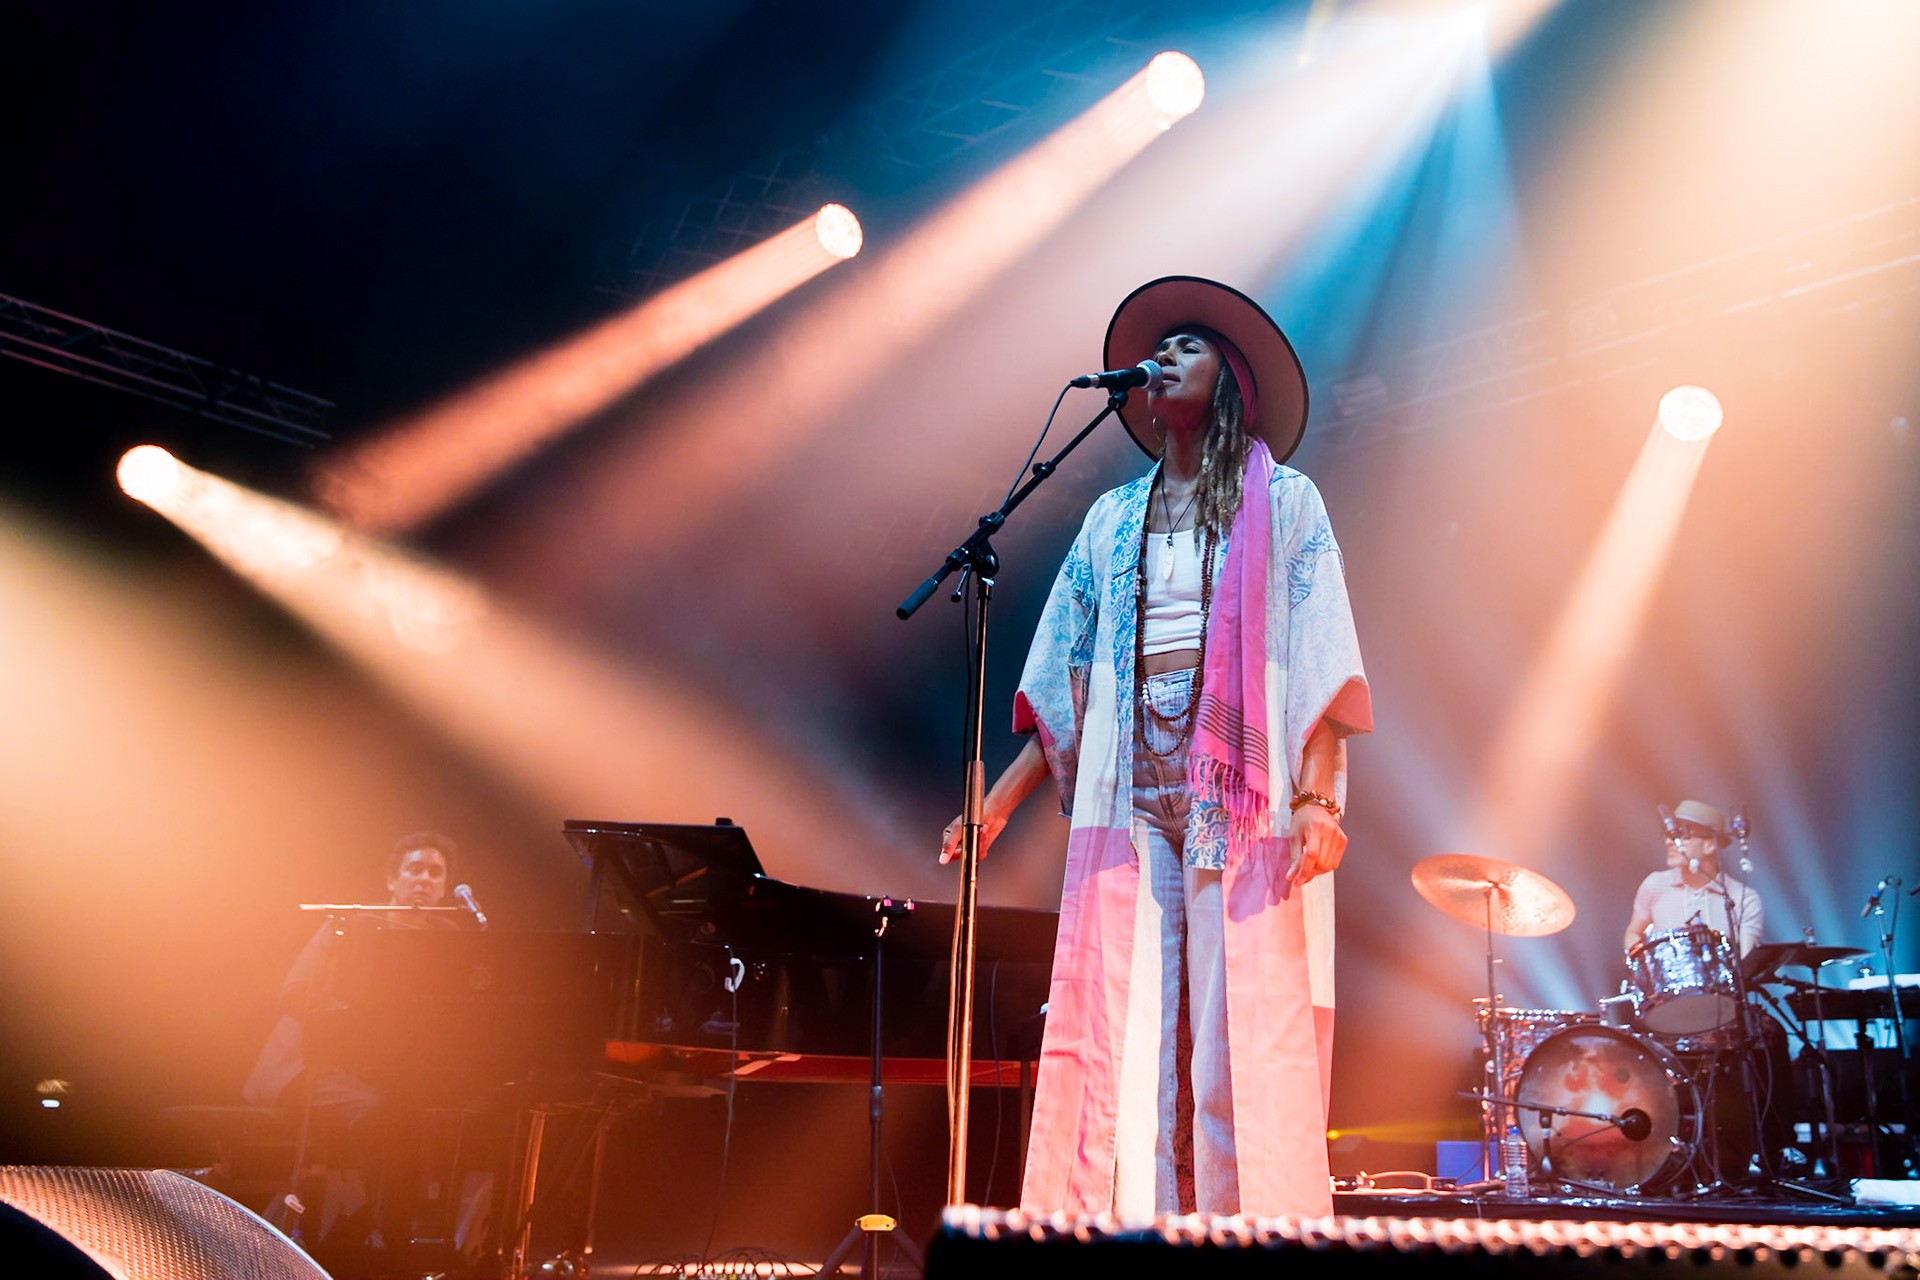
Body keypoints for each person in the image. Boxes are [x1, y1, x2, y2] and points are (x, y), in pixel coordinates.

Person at [941, 277, 1371, 1220]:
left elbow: (1323, 663)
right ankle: (1116, 1234)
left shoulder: (1288, 502)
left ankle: (1248, 1236)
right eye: (1161, 346)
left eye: (1188, 346)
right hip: (1132, 794)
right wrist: (1000, 804)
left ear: (1230, 381)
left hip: (1242, 795)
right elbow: (1065, 677)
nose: (1165, 358)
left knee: (1237, 1040)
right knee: (1118, 1032)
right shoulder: (1109, 520)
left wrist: (1321, 798)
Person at [244, 831, 462, 1114]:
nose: (424, 879)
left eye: (435, 873)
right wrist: (356, 1020)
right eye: (415, 869)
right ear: (392, 880)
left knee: (441, 1109)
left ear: (444, 888)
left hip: (388, 1069)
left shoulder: (447, 937)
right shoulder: (348, 926)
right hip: (306, 1067)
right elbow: (294, 992)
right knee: (382, 1112)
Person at [1623, 800, 1764, 957]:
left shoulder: (1743, 898)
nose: (1669, 842)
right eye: (1669, 835)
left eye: (1682, 836)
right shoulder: (1655, 884)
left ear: (1709, 846)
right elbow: (1633, 932)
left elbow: (1748, 962)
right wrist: (1648, 965)